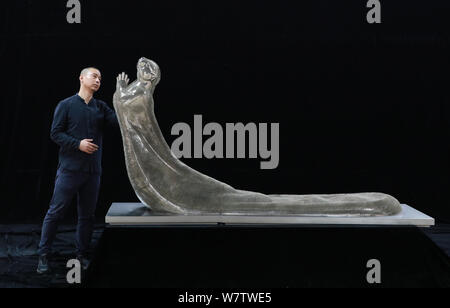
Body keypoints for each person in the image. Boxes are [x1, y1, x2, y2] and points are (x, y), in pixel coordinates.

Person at [37, 67, 118, 274]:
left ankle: (81, 255)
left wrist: (124, 99)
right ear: (81, 78)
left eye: (100, 77)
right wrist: (77, 144)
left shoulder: (101, 107)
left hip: (93, 172)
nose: (98, 80)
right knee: (55, 212)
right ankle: (43, 254)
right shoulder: (66, 105)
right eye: (94, 76)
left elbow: (118, 122)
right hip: (70, 170)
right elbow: (55, 133)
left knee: (87, 216)